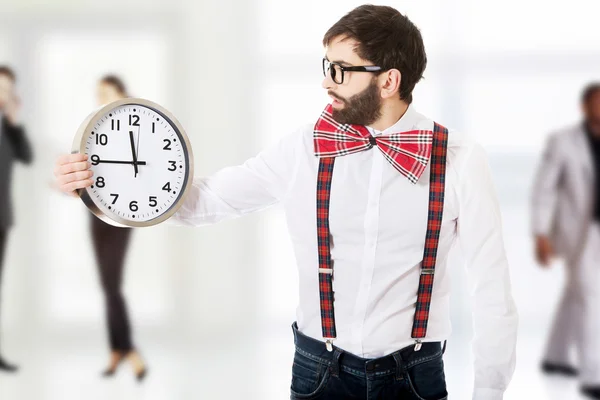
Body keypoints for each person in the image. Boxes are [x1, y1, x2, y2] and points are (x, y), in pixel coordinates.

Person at [54, 5, 517, 399]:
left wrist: (489, 392)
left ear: (388, 80)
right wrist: (99, 181)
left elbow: (492, 288)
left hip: (415, 378)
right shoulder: (305, 148)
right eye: (325, 66)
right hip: (319, 374)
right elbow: (206, 201)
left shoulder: (459, 159)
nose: (326, 82)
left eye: (340, 69)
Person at [532, 82, 600, 400]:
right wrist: (541, 234)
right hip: (580, 233)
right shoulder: (563, 142)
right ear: (584, 107)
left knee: (577, 296)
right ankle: (593, 375)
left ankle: (556, 357)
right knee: (591, 298)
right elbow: (544, 190)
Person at [87, 75, 147, 381]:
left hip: (123, 214)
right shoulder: (93, 129)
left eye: (107, 93)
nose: (101, 98)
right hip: (96, 212)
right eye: (99, 94)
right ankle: (119, 349)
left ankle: (127, 350)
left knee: (112, 284)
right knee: (107, 285)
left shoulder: (134, 126)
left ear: (122, 94)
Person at [0, 65, 32, 373]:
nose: (3, 94)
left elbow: (26, 156)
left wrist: (13, 122)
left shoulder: (9, 127)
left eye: (8, 89)